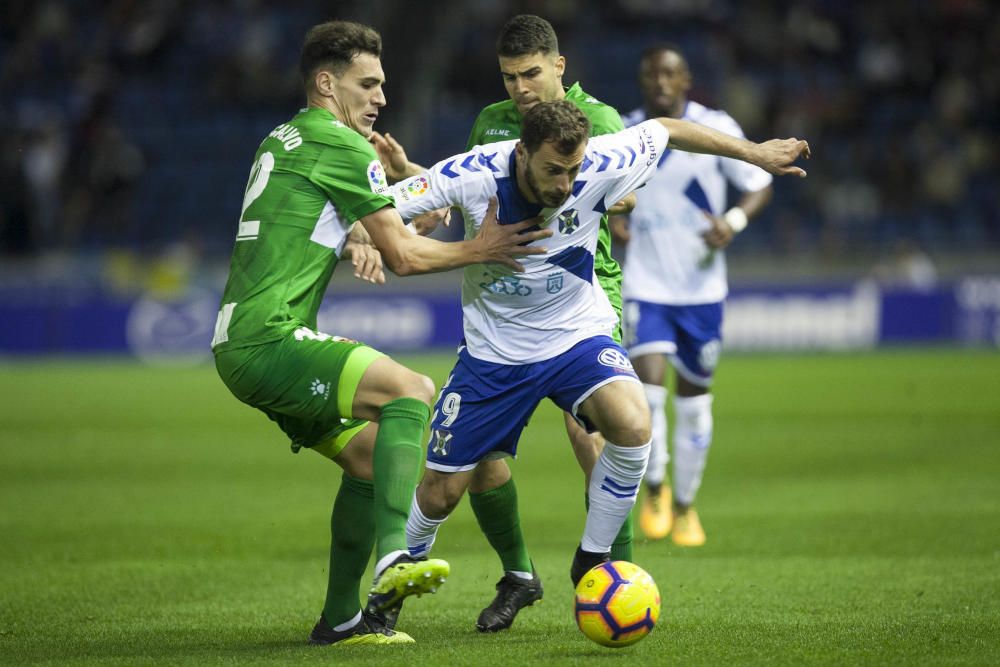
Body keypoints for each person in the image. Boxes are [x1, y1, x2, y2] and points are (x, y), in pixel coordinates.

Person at [389, 101, 808, 630]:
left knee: (634, 424)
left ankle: (593, 556)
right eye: (552, 171)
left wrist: (756, 153)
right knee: (440, 492)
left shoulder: (604, 160)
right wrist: (395, 234)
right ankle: (393, 587)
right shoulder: (472, 172)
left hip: (575, 335)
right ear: (522, 153)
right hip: (495, 352)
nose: (565, 184)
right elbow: (379, 213)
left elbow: (668, 129)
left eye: (573, 170)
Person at [210, 20, 551, 647]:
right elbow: (407, 256)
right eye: (367, 84)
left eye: (383, 85)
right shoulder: (344, 146)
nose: (381, 98)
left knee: (369, 461)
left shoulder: (283, 138)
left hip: (239, 338)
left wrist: (356, 236)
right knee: (411, 391)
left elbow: (304, 228)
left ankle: (340, 620)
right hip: (270, 336)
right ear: (325, 83)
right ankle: (396, 558)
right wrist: (482, 247)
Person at [371, 14, 639, 633]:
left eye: (532, 74)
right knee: (482, 457)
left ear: (559, 67)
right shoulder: (493, 122)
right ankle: (519, 574)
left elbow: (615, 193)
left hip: (577, 303)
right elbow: (467, 198)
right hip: (499, 312)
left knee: (594, 434)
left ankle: (613, 579)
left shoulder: (595, 123)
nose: (520, 88)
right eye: (510, 76)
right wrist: (414, 179)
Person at [611, 45, 775, 547]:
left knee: (695, 401)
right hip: (645, 282)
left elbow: (758, 180)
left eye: (670, 73)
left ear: (686, 80)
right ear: (642, 80)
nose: (660, 81)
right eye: (651, 73)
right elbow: (598, 188)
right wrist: (612, 214)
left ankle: (685, 505)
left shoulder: (714, 124)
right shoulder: (626, 130)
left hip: (702, 287)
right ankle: (655, 490)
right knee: (650, 389)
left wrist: (734, 220)